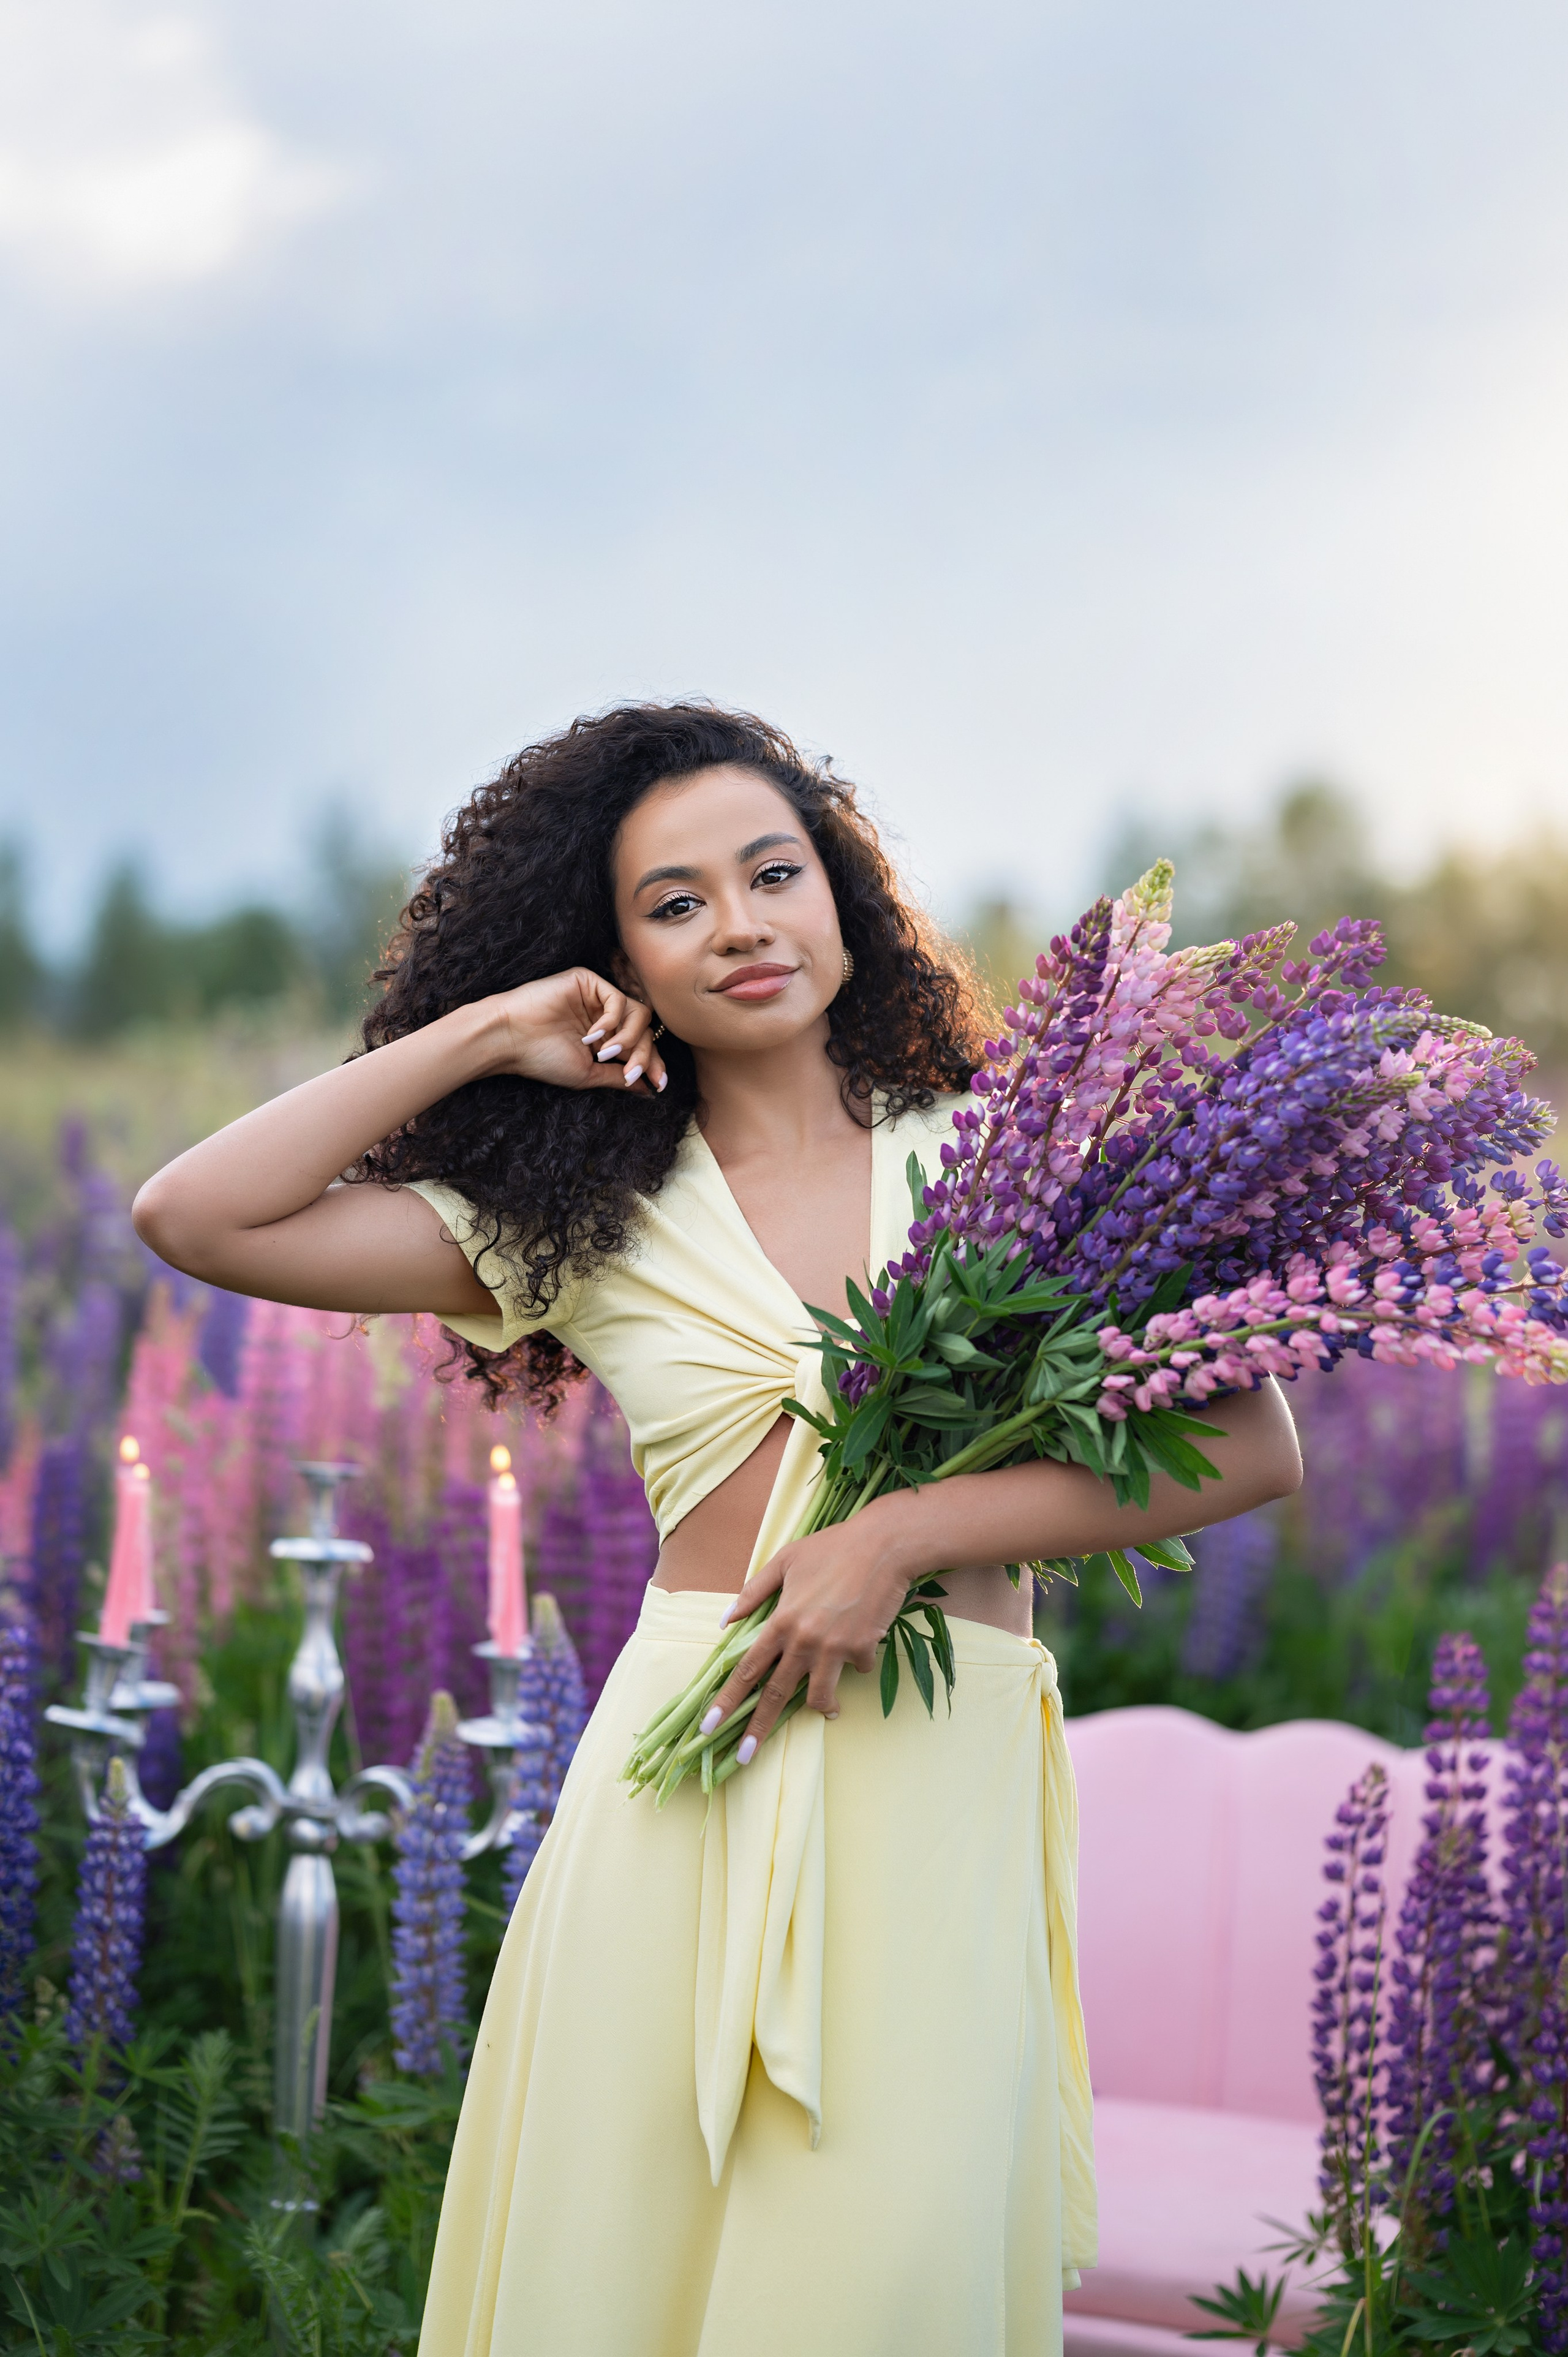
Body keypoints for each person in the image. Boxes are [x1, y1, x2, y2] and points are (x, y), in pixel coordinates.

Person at [135, 703, 1303, 2356]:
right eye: (674, 904)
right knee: (622, 2285)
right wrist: (490, 1030)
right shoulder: (581, 1219)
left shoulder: (1016, 1155)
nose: (741, 925)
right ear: (614, 956)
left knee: (884, 2284)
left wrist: (902, 1536)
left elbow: (1250, 1445)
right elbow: (195, 1214)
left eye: (774, 874)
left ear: (847, 895)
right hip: (683, 1784)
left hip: (936, 1784)